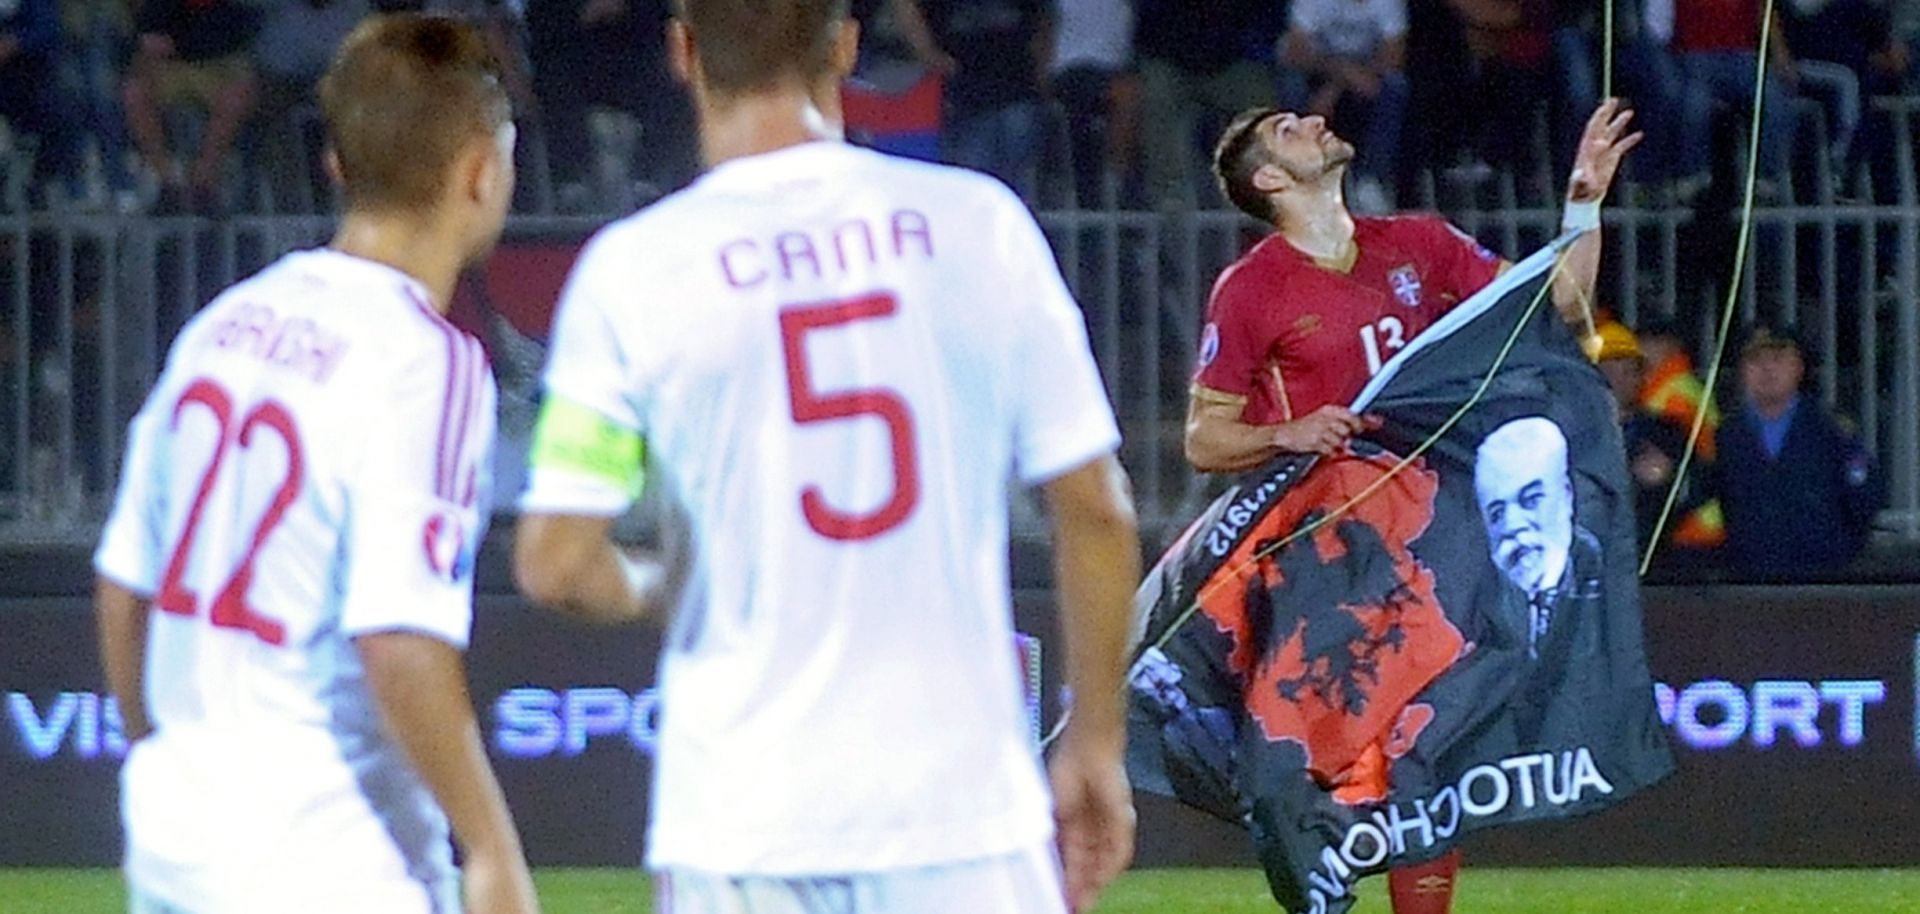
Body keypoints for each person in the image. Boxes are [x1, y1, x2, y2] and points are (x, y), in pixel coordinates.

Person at [510, 2, 1141, 913]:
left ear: (683, 50)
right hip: (958, 816)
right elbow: (1096, 508)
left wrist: (656, 586)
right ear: (844, 47)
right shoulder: (980, 227)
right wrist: (1095, 745)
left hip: (744, 821)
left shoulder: (634, 271)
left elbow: (556, 560)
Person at [93, 16, 538, 914]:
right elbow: (399, 638)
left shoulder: (223, 325)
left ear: (336, 166)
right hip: (330, 863)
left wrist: (156, 754)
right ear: (482, 173)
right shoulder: (430, 363)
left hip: (177, 850)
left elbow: (120, 585)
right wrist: (490, 851)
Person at [1181, 98, 1639, 914]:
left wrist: (1583, 199)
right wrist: (1291, 431)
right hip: (1326, 551)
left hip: (1433, 541)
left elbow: (1558, 305)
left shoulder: (1420, 245)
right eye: (1290, 130)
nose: (1315, 123)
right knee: (1316, 766)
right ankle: (1312, 877)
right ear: (1270, 179)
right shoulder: (1251, 289)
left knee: (1426, 746)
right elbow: (1204, 438)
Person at [1714, 324, 1882, 579]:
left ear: (1799, 368)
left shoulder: (1829, 427)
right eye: (1755, 360)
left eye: (1779, 359)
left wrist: (1841, 548)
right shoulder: (1726, 433)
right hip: (1749, 575)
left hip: (1822, 574)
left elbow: (1863, 495)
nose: (1767, 369)